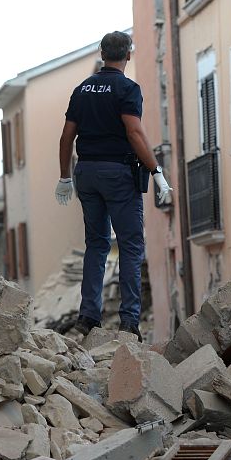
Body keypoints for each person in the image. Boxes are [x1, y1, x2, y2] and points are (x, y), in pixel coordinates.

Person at [55, 31, 172, 340]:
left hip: (87, 173)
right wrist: (156, 171)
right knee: (131, 245)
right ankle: (130, 321)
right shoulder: (127, 88)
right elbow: (134, 132)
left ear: (101, 53)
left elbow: (67, 136)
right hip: (118, 174)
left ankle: (88, 318)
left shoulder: (82, 90)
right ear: (129, 54)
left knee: (96, 244)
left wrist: (65, 177)